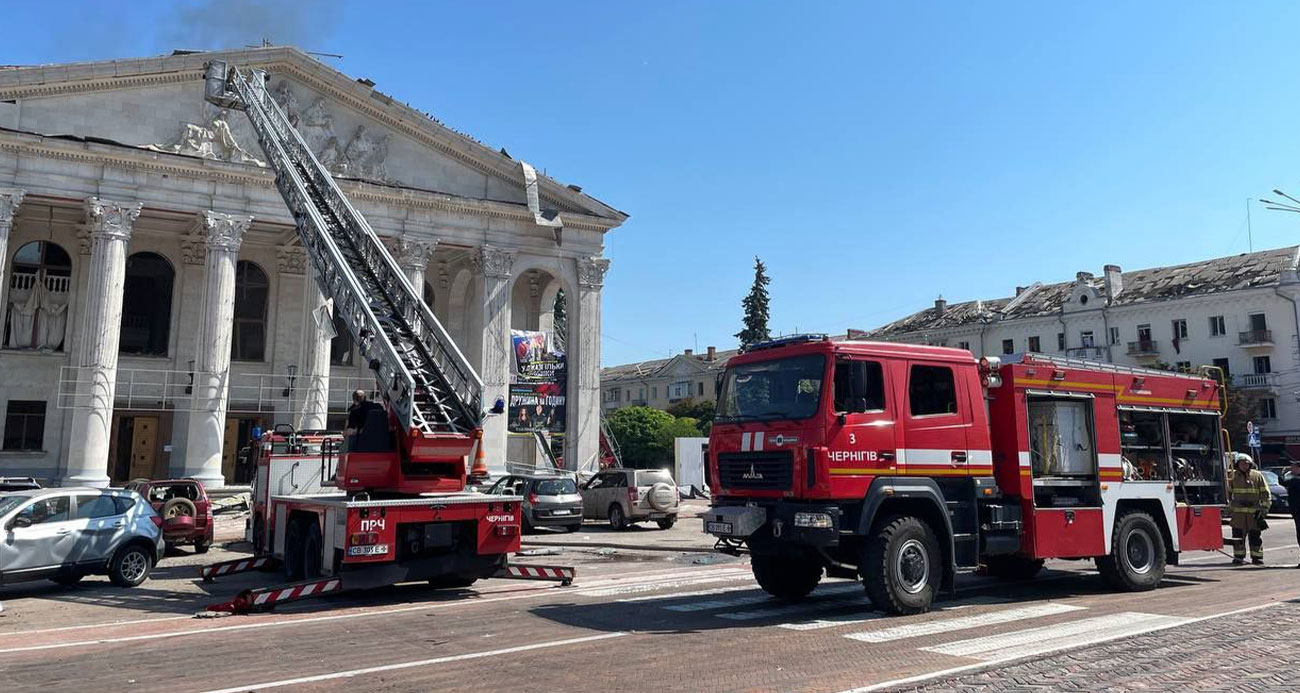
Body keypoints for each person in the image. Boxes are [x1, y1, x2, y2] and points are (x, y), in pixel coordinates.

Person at [1227, 452, 1271, 565]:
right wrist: (1230, 509)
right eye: (1242, 463)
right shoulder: (1232, 476)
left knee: (1255, 536)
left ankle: (1257, 557)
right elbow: (1227, 494)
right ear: (1237, 464)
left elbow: (1265, 493)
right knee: (1237, 537)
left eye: (1246, 463)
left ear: (1250, 464)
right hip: (1238, 514)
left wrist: (1264, 510)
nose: (1244, 465)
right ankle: (1238, 557)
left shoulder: (1257, 476)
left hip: (1254, 513)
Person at [1283, 455, 1300, 569]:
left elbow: (1283, 483)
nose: (1291, 469)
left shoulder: (1295, 481)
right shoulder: (1294, 480)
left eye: (1293, 467)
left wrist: (1284, 474)